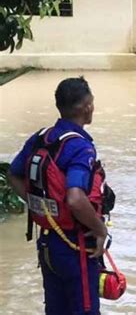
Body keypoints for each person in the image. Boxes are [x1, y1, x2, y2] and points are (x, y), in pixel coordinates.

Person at [8, 77, 109, 315]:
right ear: (86, 107)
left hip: (47, 244)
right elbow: (75, 198)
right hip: (76, 245)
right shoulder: (81, 147)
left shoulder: (41, 137)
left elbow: (14, 175)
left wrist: (40, 207)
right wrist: (100, 230)